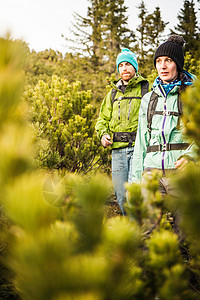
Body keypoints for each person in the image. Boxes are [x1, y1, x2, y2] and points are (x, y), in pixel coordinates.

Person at [130, 35, 196, 197]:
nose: (163, 66)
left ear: (178, 65)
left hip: (180, 174)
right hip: (151, 173)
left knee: (183, 223)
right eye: (159, 61)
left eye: (168, 60)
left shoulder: (193, 96)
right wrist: (135, 182)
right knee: (151, 222)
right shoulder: (149, 99)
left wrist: (191, 156)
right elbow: (141, 142)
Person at [95, 48, 149, 215]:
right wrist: (103, 134)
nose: (124, 68)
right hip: (117, 151)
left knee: (135, 192)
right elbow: (102, 119)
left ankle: (141, 232)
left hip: (138, 149)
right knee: (121, 195)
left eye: (128, 64)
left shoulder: (146, 89)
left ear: (135, 67)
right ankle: (131, 230)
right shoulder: (112, 94)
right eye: (121, 65)